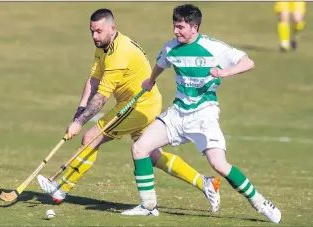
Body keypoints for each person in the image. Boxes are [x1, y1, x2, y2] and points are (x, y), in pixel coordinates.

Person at [37, 8, 221, 212]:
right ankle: (206, 183)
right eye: (92, 31)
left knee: (90, 138)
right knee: (153, 155)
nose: (94, 36)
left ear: (112, 28)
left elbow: (101, 97)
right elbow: (94, 80)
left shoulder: (119, 53)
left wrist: (80, 123)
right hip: (138, 104)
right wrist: (78, 113)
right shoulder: (103, 46)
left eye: (99, 31)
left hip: (138, 106)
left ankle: (60, 188)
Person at [121, 4, 282, 224]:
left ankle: (261, 203)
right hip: (177, 114)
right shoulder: (171, 48)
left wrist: (225, 72)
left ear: (194, 27)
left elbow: (248, 62)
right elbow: (160, 64)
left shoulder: (213, 48)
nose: (176, 31)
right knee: (140, 148)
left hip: (204, 115)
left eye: (180, 27)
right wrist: (150, 81)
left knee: (219, 164)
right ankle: (148, 206)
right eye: (174, 26)